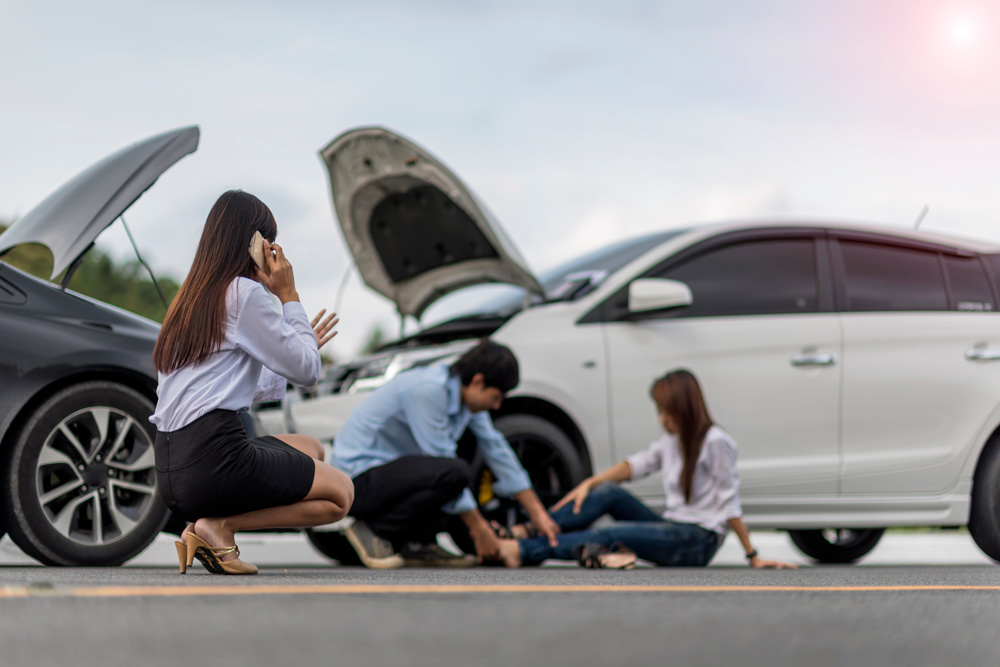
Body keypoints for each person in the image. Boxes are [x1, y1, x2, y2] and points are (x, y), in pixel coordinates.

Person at [151, 190, 354, 575]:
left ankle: (207, 524)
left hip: (174, 467)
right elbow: (309, 371)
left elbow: (234, 385)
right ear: (257, 244)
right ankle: (220, 526)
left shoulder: (188, 301)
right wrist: (289, 297)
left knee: (311, 449)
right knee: (341, 494)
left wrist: (296, 341)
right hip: (215, 459)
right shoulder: (245, 293)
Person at [493, 369, 796, 570]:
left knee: (610, 533)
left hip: (697, 542)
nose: (663, 419)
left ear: (686, 408)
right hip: (675, 527)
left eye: (668, 411)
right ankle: (531, 529)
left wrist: (753, 556)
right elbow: (636, 465)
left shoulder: (716, 442)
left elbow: (730, 504)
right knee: (609, 492)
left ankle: (522, 549)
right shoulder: (673, 440)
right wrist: (590, 483)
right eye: (660, 411)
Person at [332, 339, 560, 568]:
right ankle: (371, 530)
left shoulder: (466, 399)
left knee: (459, 485)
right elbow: (442, 459)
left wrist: (537, 513)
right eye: (496, 397)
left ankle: (417, 544)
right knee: (455, 472)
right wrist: (479, 528)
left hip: (390, 478)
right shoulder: (428, 390)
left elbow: (497, 449)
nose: (497, 406)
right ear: (478, 381)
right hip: (354, 483)